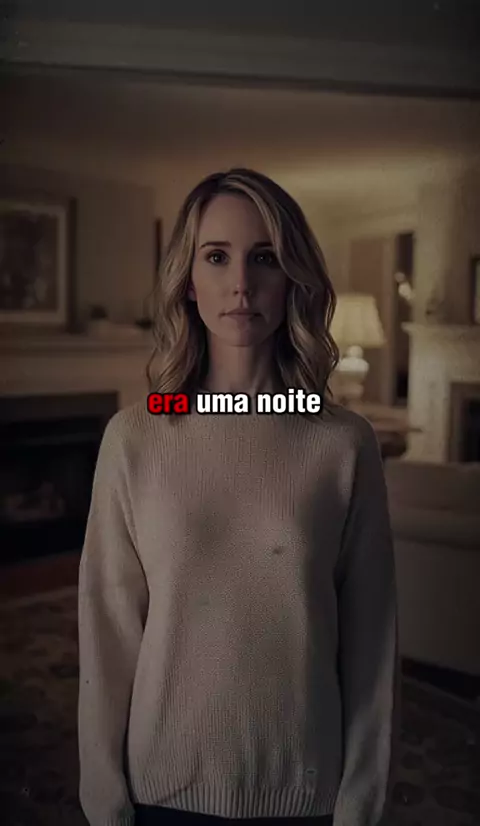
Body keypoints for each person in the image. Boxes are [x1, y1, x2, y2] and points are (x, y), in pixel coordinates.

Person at [77, 168, 399, 826]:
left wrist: (361, 800)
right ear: (188, 280)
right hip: (160, 792)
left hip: (306, 793)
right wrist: (104, 796)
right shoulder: (136, 436)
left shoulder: (342, 442)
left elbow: (372, 639)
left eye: (265, 258)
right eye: (217, 257)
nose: (241, 284)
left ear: (293, 279)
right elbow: (108, 630)